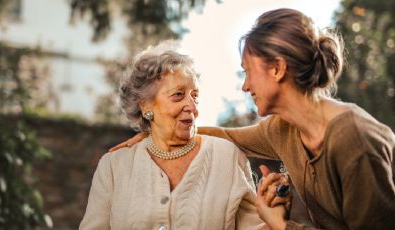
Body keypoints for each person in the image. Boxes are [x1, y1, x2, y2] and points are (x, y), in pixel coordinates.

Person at [112, 8, 395, 230]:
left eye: (248, 71)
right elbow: (226, 136)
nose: (245, 86)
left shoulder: (353, 140)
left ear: (277, 69)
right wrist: (159, 132)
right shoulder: (283, 129)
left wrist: (281, 225)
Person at [79, 41, 275, 229]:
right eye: (178, 95)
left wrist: (276, 216)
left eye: (195, 96)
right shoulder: (114, 166)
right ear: (145, 105)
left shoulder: (227, 157)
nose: (191, 107)